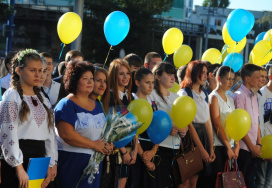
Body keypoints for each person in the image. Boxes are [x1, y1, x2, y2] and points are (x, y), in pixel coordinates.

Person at [0, 49, 57, 188]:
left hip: (40, 159)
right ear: (19, 71)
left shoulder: (43, 98)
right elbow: (8, 134)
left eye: (41, 70)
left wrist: (52, 163)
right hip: (19, 158)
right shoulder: (12, 96)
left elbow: (50, 134)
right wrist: (19, 168)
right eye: (33, 70)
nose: (38, 74)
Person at [54, 61, 112, 188]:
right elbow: (66, 134)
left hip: (94, 165)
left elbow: (102, 131)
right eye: (85, 79)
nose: (90, 82)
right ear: (74, 81)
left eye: (91, 78)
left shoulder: (97, 105)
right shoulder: (66, 104)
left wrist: (106, 144)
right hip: (73, 163)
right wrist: (94, 145)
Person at [178, 60, 215, 188]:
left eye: (206, 72)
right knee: (185, 180)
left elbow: (207, 121)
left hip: (203, 135)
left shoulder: (204, 93)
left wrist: (211, 147)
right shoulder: (185, 93)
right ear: (194, 73)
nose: (206, 75)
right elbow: (189, 124)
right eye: (202, 72)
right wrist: (202, 150)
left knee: (195, 180)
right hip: (190, 138)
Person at [149, 62, 187, 188]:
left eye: (173, 74)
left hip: (175, 148)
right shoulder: (151, 95)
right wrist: (166, 130)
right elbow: (151, 121)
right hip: (158, 148)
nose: (173, 78)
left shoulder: (176, 97)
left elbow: (184, 121)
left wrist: (184, 129)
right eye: (169, 74)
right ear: (158, 76)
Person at [107, 58, 137, 188]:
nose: (126, 77)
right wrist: (124, 151)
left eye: (128, 73)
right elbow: (111, 128)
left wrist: (135, 150)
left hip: (131, 150)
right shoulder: (109, 96)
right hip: (116, 152)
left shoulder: (130, 97)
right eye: (121, 73)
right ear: (114, 75)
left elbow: (135, 125)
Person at [232, 63, 262, 188]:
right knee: (241, 183)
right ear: (247, 78)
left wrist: (258, 144)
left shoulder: (254, 96)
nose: (260, 80)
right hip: (244, 148)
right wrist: (251, 147)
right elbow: (240, 125)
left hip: (254, 148)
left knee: (251, 182)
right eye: (257, 77)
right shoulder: (239, 96)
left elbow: (257, 121)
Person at [209, 66, 239, 187]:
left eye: (233, 79)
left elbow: (236, 124)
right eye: (228, 79)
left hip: (231, 146)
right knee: (217, 181)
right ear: (219, 79)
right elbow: (217, 124)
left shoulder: (230, 99)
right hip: (219, 146)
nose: (231, 82)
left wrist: (237, 145)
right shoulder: (214, 97)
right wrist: (228, 146)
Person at [133, 68, 160, 188]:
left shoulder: (153, 103)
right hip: (136, 150)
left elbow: (159, 130)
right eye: (147, 82)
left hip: (151, 151)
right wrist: (144, 157)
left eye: (153, 82)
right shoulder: (131, 100)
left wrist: (153, 151)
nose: (151, 86)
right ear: (137, 82)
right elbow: (131, 131)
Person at [256, 66, 272, 188]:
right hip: (264, 141)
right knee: (261, 179)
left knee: (270, 181)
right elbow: (258, 119)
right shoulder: (262, 93)